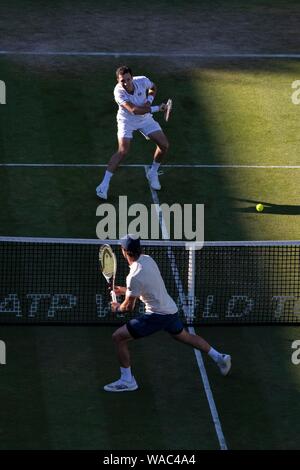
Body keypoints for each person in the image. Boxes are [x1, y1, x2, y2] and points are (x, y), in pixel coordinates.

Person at [104, 234, 231, 392]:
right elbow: (144, 287)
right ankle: (220, 357)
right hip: (170, 310)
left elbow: (128, 308)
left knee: (118, 337)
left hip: (157, 316)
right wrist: (122, 290)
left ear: (124, 251)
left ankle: (127, 380)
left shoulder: (134, 276)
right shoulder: (148, 260)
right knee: (184, 336)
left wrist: (116, 307)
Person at [96, 66, 171, 200]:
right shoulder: (118, 92)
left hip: (145, 119)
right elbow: (134, 110)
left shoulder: (142, 81)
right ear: (118, 81)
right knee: (123, 151)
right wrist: (157, 108)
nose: (126, 83)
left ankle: (153, 172)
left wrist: (149, 101)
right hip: (127, 121)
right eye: (122, 81)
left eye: (128, 79)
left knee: (164, 145)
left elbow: (153, 87)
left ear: (132, 77)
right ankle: (103, 185)